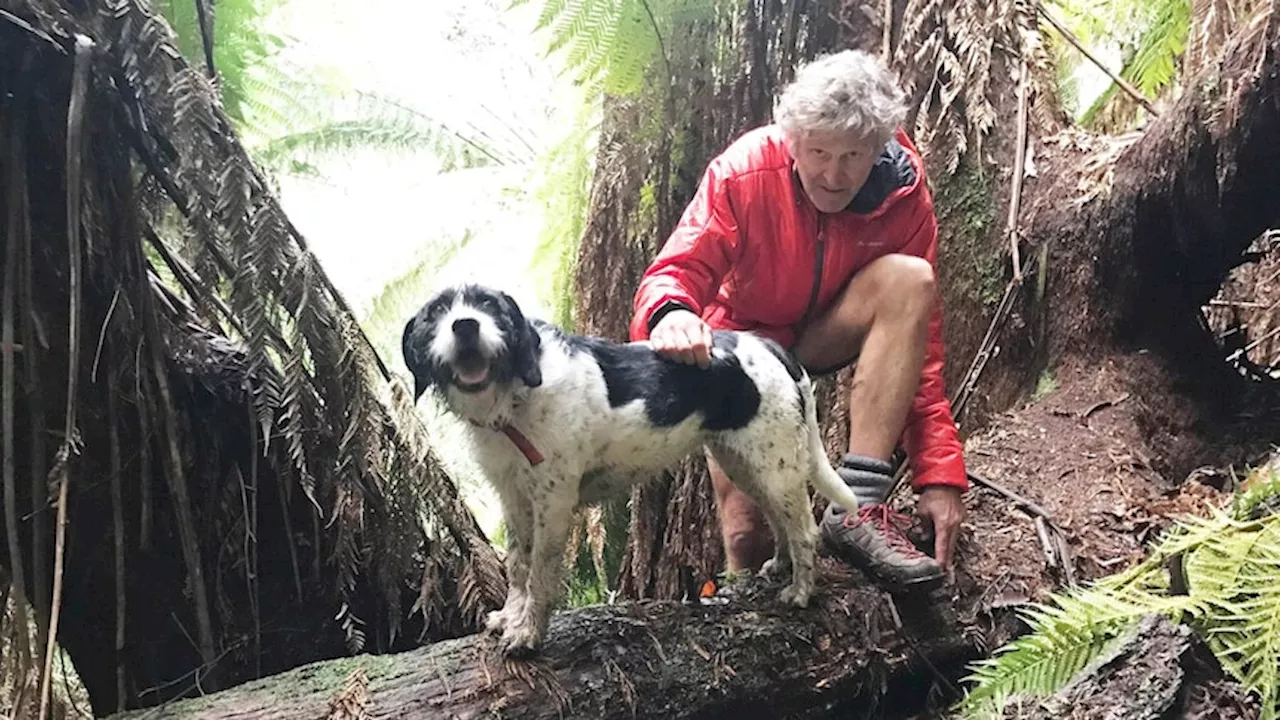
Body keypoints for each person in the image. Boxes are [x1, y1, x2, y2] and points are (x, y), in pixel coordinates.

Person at [627, 49, 968, 590]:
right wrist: (671, 315)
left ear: (881, 148)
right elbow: (676, 269)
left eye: (853, 156)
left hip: (825, 332)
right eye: (819, 152)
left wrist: (939, 472)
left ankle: (858, 509)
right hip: (743, 351)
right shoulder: (744, 171)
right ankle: (744, 618)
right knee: (747, 537)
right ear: (792, 140)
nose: (833, 175)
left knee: (911, 280)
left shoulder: (903, 195)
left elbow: (921, 348)